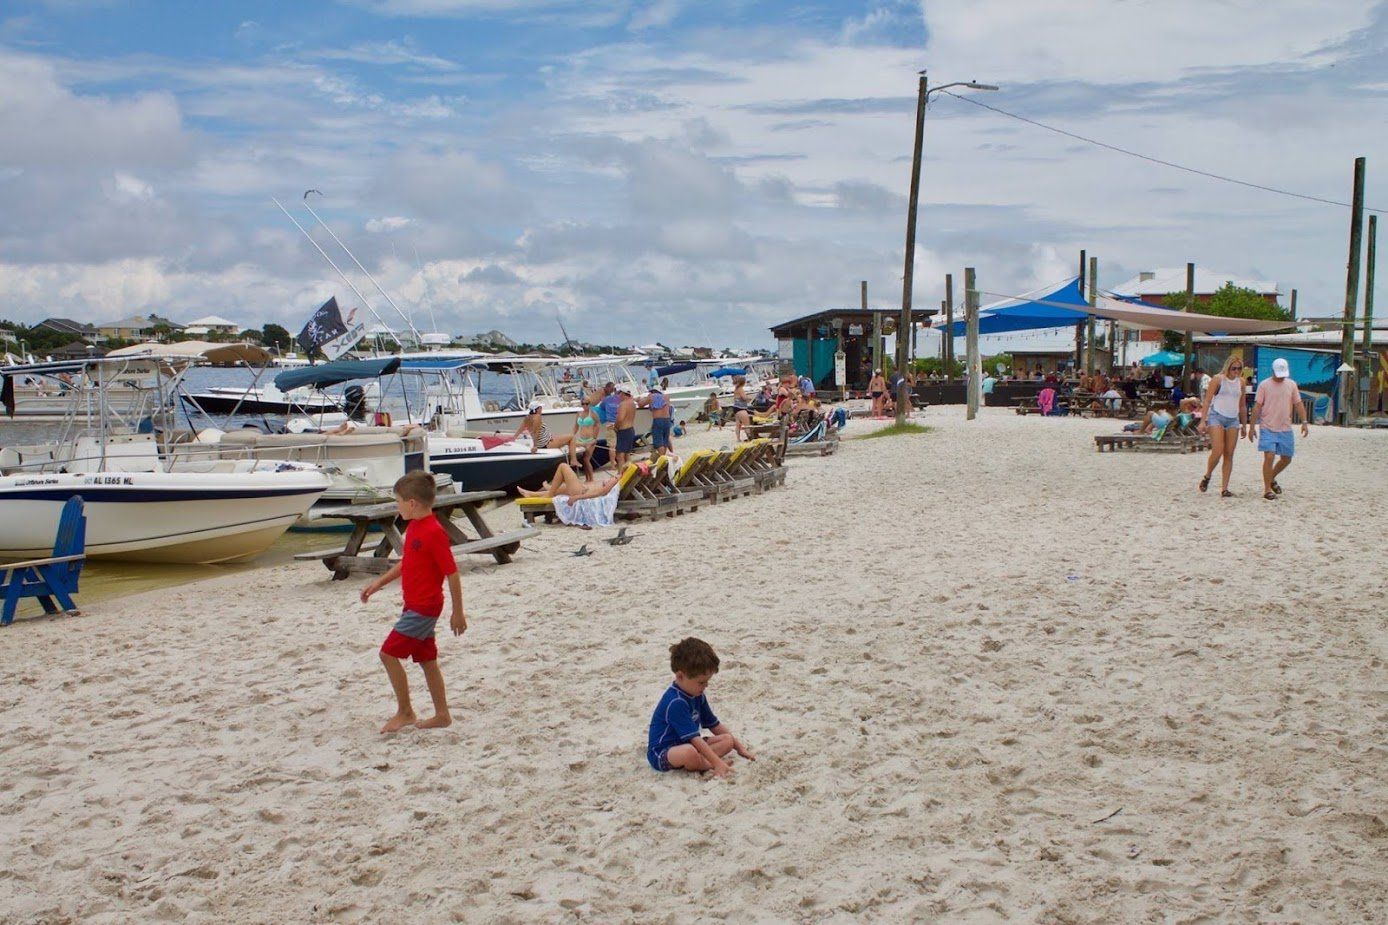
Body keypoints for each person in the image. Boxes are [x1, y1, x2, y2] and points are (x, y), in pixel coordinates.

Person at [360, 471, 465, 733]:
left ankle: (405, 712)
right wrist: (378, 584)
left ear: (412, 503)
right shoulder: (415, 526)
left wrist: (458, 613)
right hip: (415, 605)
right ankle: (442, 715)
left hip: (424, 608)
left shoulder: (434, 532)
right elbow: (407, 563)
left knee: (387, 654)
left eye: (397, 502)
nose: (397, 507)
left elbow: (452, 572)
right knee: (427, 661)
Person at [646, 637, 755, 777]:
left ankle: (701, 761)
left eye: (707, 681)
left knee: (727, 740)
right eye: (701, 682)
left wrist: (740, 748)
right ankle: (706, 765)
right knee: (689, 752)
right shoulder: (676, 702)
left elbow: (714, 725)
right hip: (664, 752)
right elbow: (695, 739)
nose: (706, 686)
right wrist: (717, 763)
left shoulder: (697, 694)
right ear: (680, 676)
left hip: (688, 743)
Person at [1248, 357, 1309, 501]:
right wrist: (1252, 427)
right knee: (1269, 456)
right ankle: (1267, 490)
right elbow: (1257, 406)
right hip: (1267, 426)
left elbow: (1298, 404)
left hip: (1285, 427)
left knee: (1286, 458)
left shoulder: (1291, 385)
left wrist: (1304, 421)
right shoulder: (1264, 385)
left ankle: (1271, 477)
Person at [1198, 357, 1249, 497]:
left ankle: (1225, 488)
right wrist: (1203, 420)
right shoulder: (1218, 379)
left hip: (1233, 419)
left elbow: (1242, 405)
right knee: (1218, 450)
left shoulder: (1241, 382)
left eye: (1239, 368)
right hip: (1217, 415)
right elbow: (1207, 400)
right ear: (1228, 367)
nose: (1236, 371)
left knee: (1229, 453)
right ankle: (1208, 475)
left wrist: (1244, 425)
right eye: (1234, 368)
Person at [517, 462, 620, 500]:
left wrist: (576, 497)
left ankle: (550, 493)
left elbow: (599, 493)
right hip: (583, 489)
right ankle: (531, 494)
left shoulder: (617, 479)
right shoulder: (618, 478)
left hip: (582, 492)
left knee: (563, 466)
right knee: (560, 487)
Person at [569, 397, 601, 478]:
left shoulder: (593, 414)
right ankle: (587, 478)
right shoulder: (579, 413)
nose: (585, 405)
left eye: (587, 404)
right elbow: (576, 426)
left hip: (590, 439)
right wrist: (571, 436)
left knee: (586, 459)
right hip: (581, 439)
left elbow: (597, 425)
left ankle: (591, 478)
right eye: (583, 404)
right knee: (583, 459)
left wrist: (595, 438)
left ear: (589, 404)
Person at [638, 384, 674, 455]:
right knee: (665, 441)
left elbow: (640, 404)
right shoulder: (666, 397)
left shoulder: (651, 396)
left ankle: (662, 457)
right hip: (667, 420)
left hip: (658, 420)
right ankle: (664, 457)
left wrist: (638, 400)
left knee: (658, 442)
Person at [613, 384, 637, 470]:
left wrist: (615, 427)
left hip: (623, 431)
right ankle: (629, 472)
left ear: (623, 394)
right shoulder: (632, 403)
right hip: (630, 429)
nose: (619, 396)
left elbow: (620, 419)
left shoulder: (623, 404)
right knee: (627, 454)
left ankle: (621, 473)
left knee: (620, 455)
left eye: (619, 393)